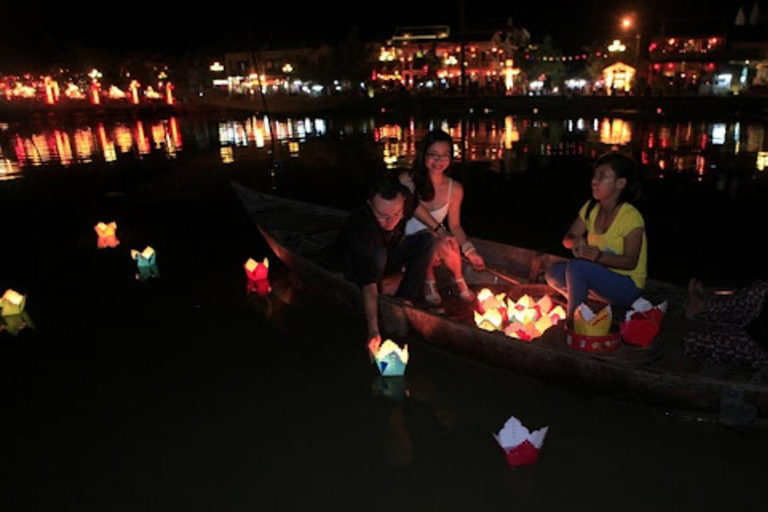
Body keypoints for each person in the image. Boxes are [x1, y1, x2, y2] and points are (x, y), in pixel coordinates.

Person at [328, 174, 438, 346]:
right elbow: (369, 283)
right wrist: (373, 330)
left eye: (396, 214)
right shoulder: (361, 226)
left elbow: (416, 206)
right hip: (354, 264)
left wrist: (441, 230)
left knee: (427, 240)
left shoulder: (405, 198)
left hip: (386, 253)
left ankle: (404, 300)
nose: (390, 221)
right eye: (382, 215)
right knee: (377, 256)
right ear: (370, 205)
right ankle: (386, 292)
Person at [545, 152, 647, 317]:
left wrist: (599, 257)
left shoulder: (630, 217)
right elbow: (567, 239)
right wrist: (576, 241)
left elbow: (631, 262)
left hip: (626, 286)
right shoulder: (591, 208)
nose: (594, 181)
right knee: (554, 273)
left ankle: (575, 319)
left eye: (602, 176)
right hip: (599, 280)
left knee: (577, 267)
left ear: (620, 183)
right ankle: (583, 301)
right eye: (594, 175)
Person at [398, 129, 485, 305]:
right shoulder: (407, 179)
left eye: (445, 156)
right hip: (405, 242)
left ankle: (459, 280)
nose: (439, 161)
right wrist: (440, 230)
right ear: (423, 155)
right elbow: (413, 205)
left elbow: (455, 226)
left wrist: (470, 251)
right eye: (433, 155)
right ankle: (429, 281)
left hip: (436, 240)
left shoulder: (455, 188)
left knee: (448, 240)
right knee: (430, 238)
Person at [683, 278, 768, 369]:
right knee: (759, 290)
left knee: (692, 342)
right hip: (759, 315)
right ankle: (703, 307)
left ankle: (706, 313)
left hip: (759, 346)